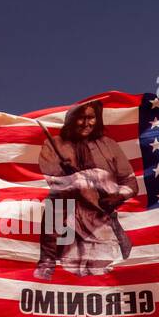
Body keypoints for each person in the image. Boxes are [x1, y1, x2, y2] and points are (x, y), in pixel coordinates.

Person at [35, 100, 137, 278]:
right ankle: (47, 262)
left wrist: (117, 197)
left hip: (104, 217)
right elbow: (54, 183)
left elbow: (130, 183)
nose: (86, 123)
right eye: (80, 118)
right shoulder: (53, 145)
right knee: (52, 206)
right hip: (69, 215)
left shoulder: (109, 145)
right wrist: (72, 178)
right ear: (71, 120)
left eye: (91, 118)